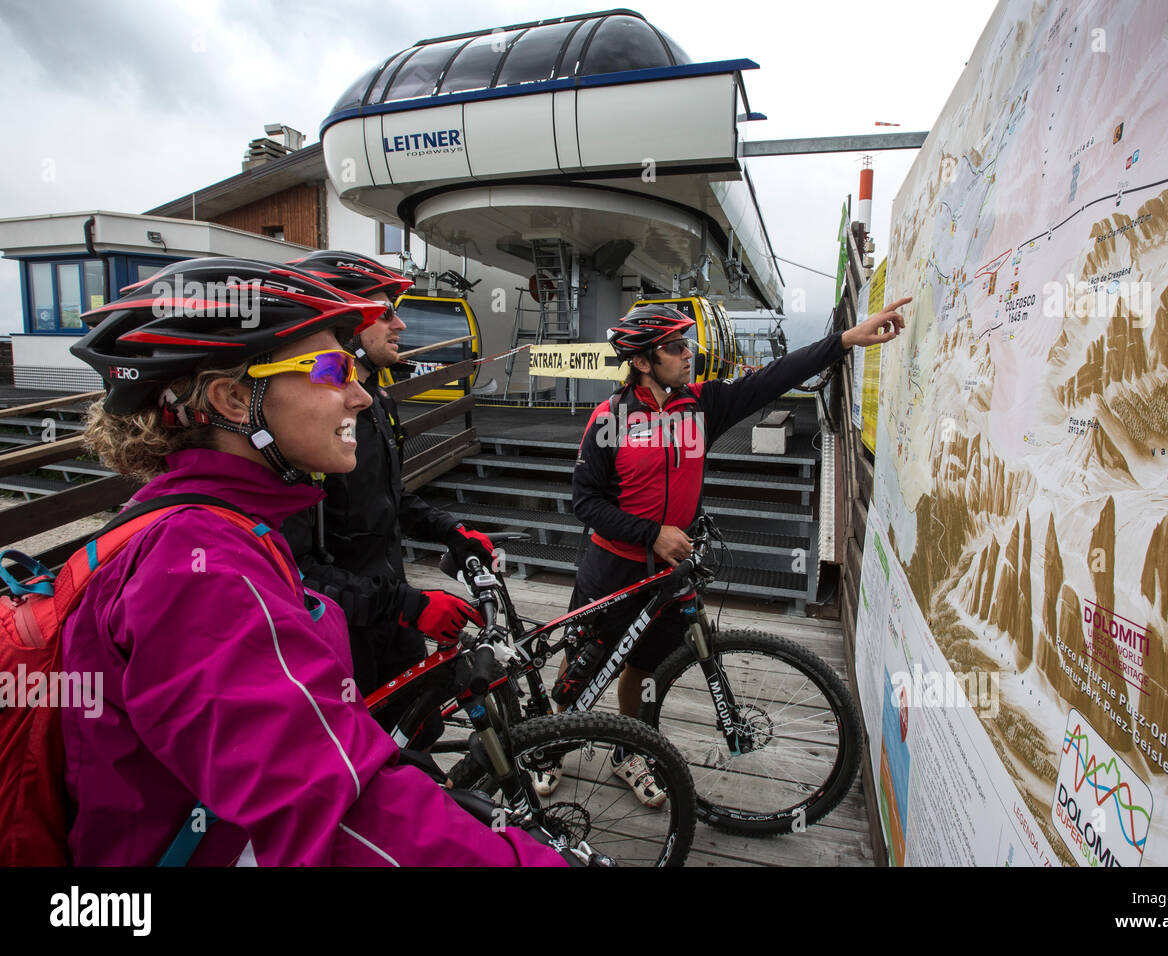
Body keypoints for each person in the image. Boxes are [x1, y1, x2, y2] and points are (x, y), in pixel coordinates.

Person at [63, 257, 564, 866]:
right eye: (330, 369)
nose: (356, 393)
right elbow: (336, 815)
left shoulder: (221, 522)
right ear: (230, 398)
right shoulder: (201, 569)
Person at [561, 298, 910, 802]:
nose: (689, 355)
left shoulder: (700, 406)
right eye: (676, 347)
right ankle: (545, 749)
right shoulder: (608, 419)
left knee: (644, 666)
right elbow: (584, 502)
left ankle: (627, 751)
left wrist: (845, 341)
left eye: (688, 344)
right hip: (611, 566)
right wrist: (651, 532)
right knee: (581, 664)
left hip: (669, 571)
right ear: (641, 361)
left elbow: (772, 377)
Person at [280, 251, 494, 699]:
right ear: (346, 325)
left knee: (420, 725)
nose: (400, 325)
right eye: (385, 314)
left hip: (390, 603)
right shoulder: (301, 429)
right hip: (341, 629)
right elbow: (291, 571)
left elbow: (388, 496)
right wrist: (405, 605)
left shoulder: (377, 401)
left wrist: (451, 531)